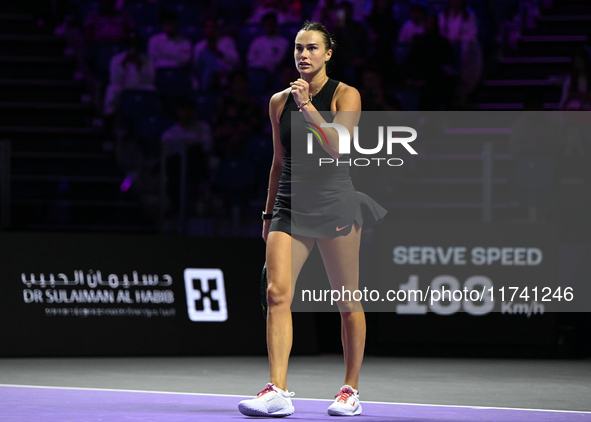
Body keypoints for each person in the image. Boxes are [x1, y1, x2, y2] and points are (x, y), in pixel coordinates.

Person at [237, 20, 387, 418]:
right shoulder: (277, 101)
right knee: (276, 293)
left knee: (346, 299)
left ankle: (350, 390)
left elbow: (338, 147)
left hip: (335, 204)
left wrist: (307, 106)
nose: (304, 54)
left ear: (328, 54)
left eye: (312, 48)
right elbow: (278, 162)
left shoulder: (345, 95)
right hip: (289, 204)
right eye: (299, 48)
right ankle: (277, 390)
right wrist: (268, 214)